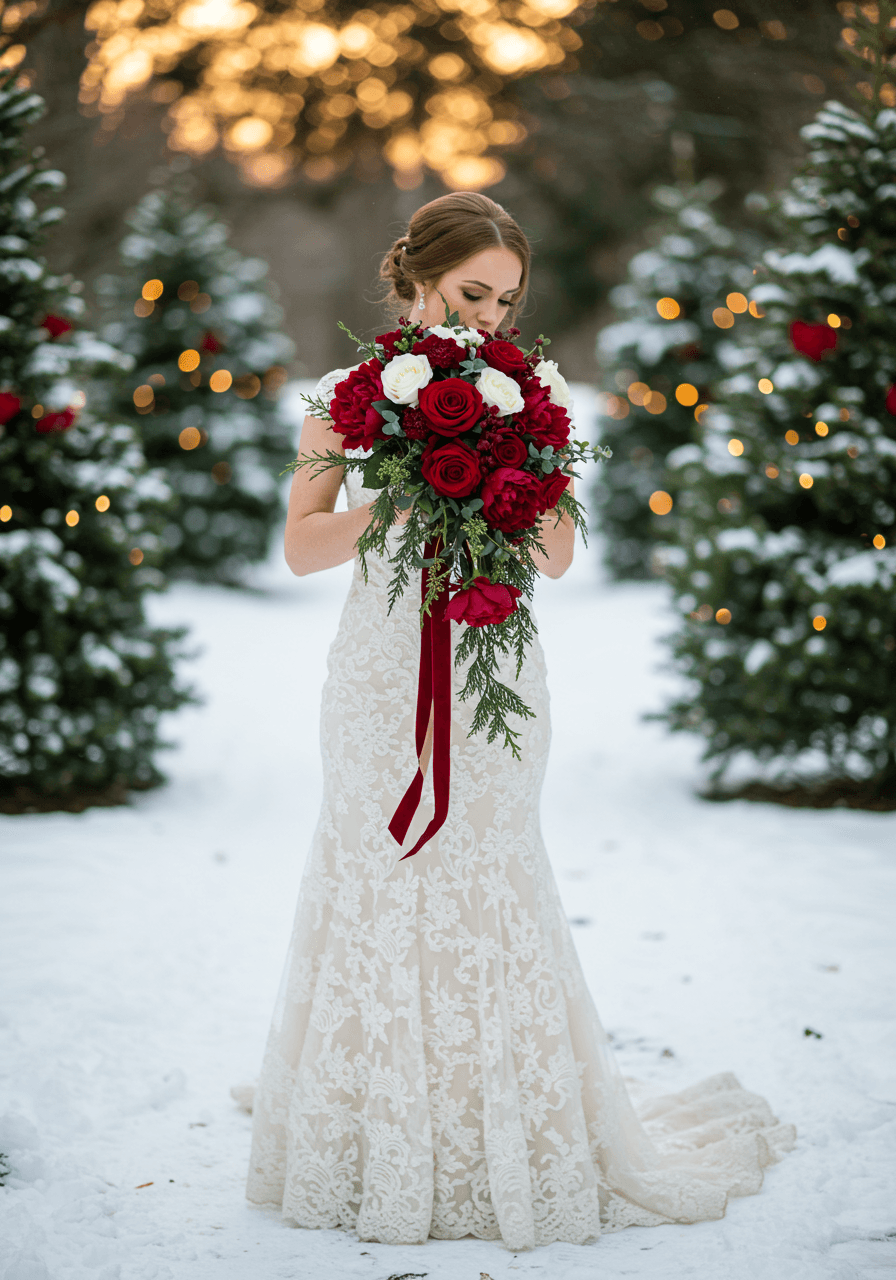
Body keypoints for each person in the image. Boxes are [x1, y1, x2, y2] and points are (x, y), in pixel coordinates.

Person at [242, 191, 794, 1251]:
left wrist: (506, 468)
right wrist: (395, 502)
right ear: (413, 279)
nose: (488, 317)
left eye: (505, 299)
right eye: (469, 293)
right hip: (377, 669)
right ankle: (376, 1124)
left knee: (485, 873)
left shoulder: (526, 393)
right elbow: (303, 546)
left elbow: (554, 556)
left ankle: (502, 1121)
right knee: (376, 868)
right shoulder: (345, 396)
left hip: (492, 662)